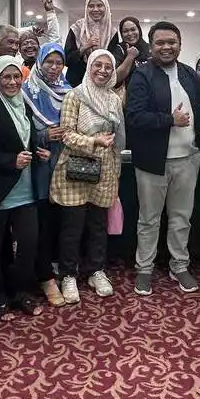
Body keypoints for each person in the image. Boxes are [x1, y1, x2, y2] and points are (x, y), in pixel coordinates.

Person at [126, 22, 200, 295]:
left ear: (180, 45)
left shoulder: (189, 74)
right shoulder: (142, 75)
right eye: (160, 42)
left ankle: (179, 265)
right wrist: (169, 120)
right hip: (153, 163)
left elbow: (196, 114)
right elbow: (134, 117)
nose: (166, 47)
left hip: (188, 159)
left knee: (181, 218)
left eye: (172, 42)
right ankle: (144, 269)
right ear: (151, 46)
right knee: (149, 220)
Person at [0, 55, 51, 320]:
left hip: (25, 192)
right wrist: (9, 161)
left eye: (17, 77)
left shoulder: (23, 106)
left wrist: (38, 153)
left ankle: (20, 292)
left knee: (28, 245)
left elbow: (23, 142)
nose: (13, 82)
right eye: (6, 77)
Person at [50, 49, 125, 304]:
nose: (102, 70)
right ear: (89, 67)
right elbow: (66, 134)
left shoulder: (114, 99)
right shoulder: (75, 95)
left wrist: (116, 168)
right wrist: (93, 141)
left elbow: (118, 138)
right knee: (72, 227)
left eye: (108, 66)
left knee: (98, 225)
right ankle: (68, 275)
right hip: (77, 167)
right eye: (97, 65)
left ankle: (96, 271)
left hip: (105, 169)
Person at [23, 43, 72, 306]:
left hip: (64, 161)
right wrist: (43, 135)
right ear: (39, 63)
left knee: (63, 218)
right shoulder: (26, 91)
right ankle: (43, 273)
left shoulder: (69, 91)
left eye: (58, 63)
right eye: (48, 62)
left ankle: (61, 267)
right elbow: (19, 127)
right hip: (39, 163)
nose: (53, 68)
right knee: (41, 219)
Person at [64, 0, 112, 86]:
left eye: (99, 5)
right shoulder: (77, 28)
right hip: (76, 83)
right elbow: (67, 60)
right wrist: (86, 47)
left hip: (102, 84)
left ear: (106, 7)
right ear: (86, 8)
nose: (95, 9)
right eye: (91, 6)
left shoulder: (111, 32)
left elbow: (114, 63)